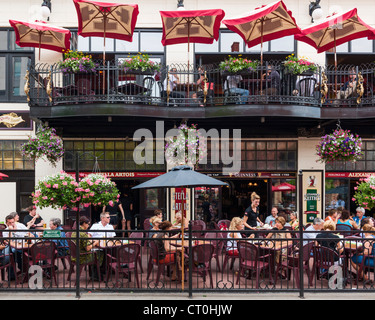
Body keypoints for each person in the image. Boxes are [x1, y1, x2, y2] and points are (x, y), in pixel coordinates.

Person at [71, 216, 104, 281]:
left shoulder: (75, 232)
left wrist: (91, 241)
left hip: (74, 256)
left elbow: (83, 242)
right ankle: (97, 274)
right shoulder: (83, 234)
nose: (89, 226)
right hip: (82, 257)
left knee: (97, 253)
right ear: (84, 223)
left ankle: (94, 274)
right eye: (88, 224)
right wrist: (95, 242)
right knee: (100, 253)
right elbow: (88, 248)